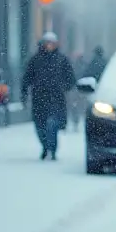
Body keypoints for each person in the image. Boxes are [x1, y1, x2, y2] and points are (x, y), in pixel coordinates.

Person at [21, 32, 76, 160]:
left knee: (52, 125)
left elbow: (71, 78)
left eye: (52, 43)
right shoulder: (35, 60)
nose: (49, 46)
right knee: (40, 126)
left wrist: (65, 87)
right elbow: (27, 78)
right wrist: (24, 93)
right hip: (39, 98)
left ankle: (53, 149)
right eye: (47, 43)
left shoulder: (62, 60)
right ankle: (45, 146)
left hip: (56, 98)